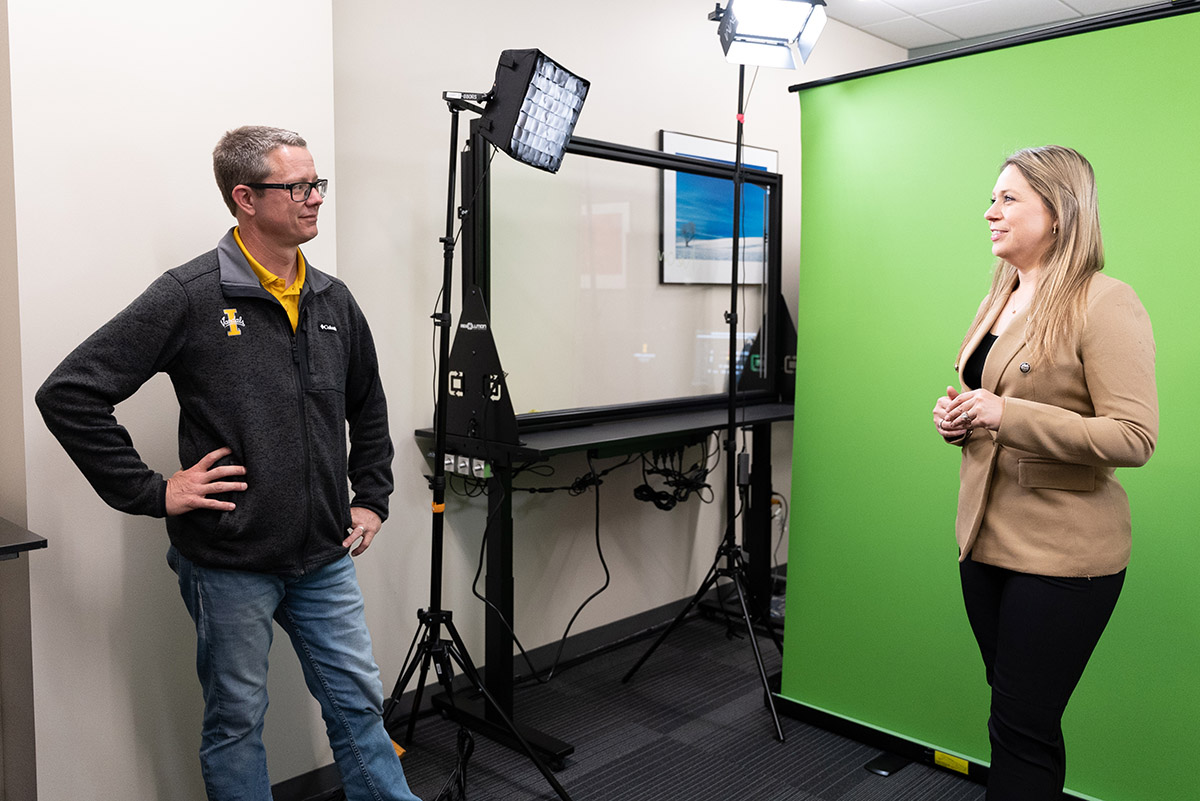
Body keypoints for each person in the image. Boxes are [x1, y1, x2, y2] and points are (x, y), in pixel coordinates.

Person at [36, 126, 421, 801]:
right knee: (237, 721)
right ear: (245, 197)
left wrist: (372, 496)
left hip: (324, 556)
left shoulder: (333, 300)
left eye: (317, 183)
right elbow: (69, 392)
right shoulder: (189, 294)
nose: (316, 199)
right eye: (299, 186)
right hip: (228, 562)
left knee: (359, 706)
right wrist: (153, 491)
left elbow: (368, 406)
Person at [932, 145, 1157, 800]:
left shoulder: (1105, 302)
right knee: (1018, 720)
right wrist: (962, 419)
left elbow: (1134, 436)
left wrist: (1007, 414)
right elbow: (989, 401)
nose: (989, 213)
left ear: (1058, 212)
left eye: (1008, 199)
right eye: (992, 198)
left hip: (1063, 557)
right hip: (984, 539)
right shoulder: (1000, 291)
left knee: (1021, 729)